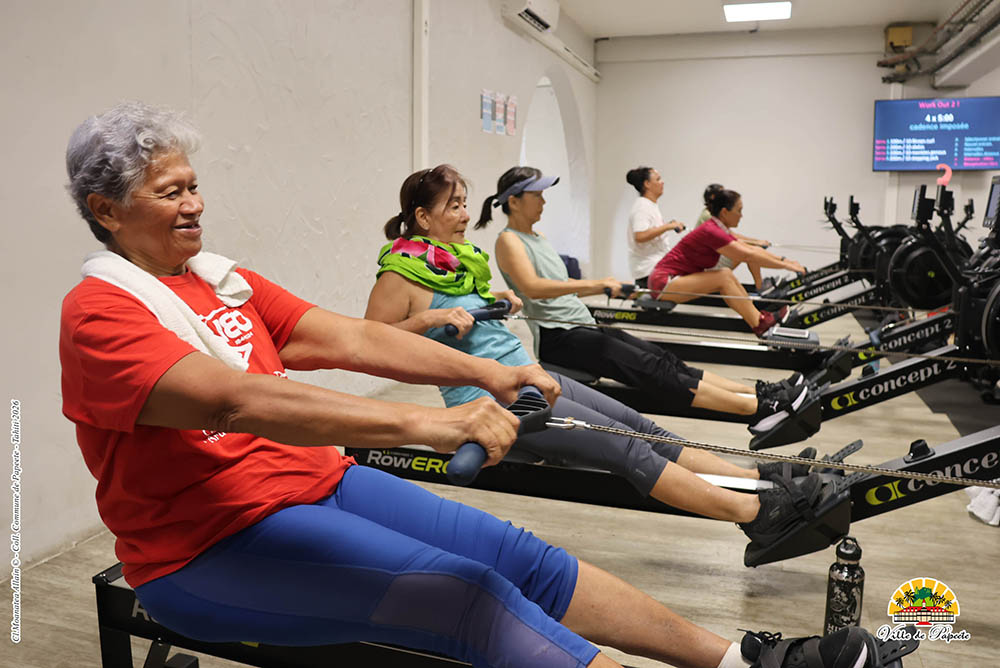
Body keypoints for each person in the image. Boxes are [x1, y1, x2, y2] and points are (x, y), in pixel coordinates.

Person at [58, 102, 884, 668]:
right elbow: (239, 401)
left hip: (316, 487)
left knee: (523, 556)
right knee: (468, 596)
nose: (195, 204)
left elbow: (353, 338)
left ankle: (737, 658)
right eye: (170, 193)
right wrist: (433, 426)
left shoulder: (220, 281)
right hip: (206, 547)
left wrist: (494, 370)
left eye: (194, 185)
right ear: (108, 209)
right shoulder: (100, 313)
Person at [365, 164, 829, 550]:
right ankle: (758, 514)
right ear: (423, 217)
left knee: (645, 429)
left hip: (529, 376)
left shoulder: (454, 261)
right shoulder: (398, 277)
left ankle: (754, 478)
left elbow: (474, 318)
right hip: (494, 403)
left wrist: (499, 299)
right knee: (627, 451)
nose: (466, 214)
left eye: (465, 203)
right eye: (454, 206)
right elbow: (371, 345)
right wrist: (428, 320)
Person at [478, 166, 810, 436]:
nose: (543, 201)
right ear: (514, 201)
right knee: (652, 370)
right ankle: (759, 410)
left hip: (580, 325)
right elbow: (533, 288)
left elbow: (563, 288)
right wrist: (598, 283)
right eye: (537, 195)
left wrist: (606, 287)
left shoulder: (538, 237)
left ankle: (757, 393)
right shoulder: (509, 240)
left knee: (665, 359)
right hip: (558, 337)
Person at [649, 189, 807, 337]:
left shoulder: (718, 228)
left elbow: (750, 249)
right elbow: (748, 255)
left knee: (725, 273)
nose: (741, 215)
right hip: (664, 282)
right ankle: (761, 324)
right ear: (725, 212)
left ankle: (760, 319)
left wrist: (786, 261)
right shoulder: (711, 231)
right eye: (739, 210)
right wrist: (787, 265)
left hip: (673, 279)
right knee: (723, 278)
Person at [696, 183, 775, 291]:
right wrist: (756, 243)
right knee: (748, 253)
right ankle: (760, 287)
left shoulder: (712, 214)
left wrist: (757, 241)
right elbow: (731, 237)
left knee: (749, 250)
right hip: (708, 267)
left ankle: (759, 286)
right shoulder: (708, 216)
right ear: (713, 197)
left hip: (712, 260)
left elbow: (731, 234)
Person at [625, 167, 685, 288]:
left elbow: (651, 231)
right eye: (658, 179)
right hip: (649, 271)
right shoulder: (642, 207)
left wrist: (669, 226)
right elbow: (640, 235)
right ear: (647, 184)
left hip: (656, 268)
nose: (662, 182)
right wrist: (667, 226)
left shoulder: (650, 205)